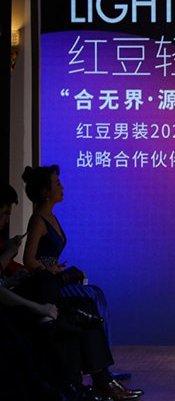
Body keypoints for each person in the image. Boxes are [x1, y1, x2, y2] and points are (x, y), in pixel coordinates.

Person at [21, 165, 143, 400]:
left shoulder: (52, 218)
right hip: (45, 285)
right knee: (88, 301)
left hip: (55, 278)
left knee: (92, 298)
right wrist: (48, 269)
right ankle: (102, 380)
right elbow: (29, 259)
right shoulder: (38, 220)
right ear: (45, 192)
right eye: (57, 184)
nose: (62, 187)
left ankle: (103, 379)